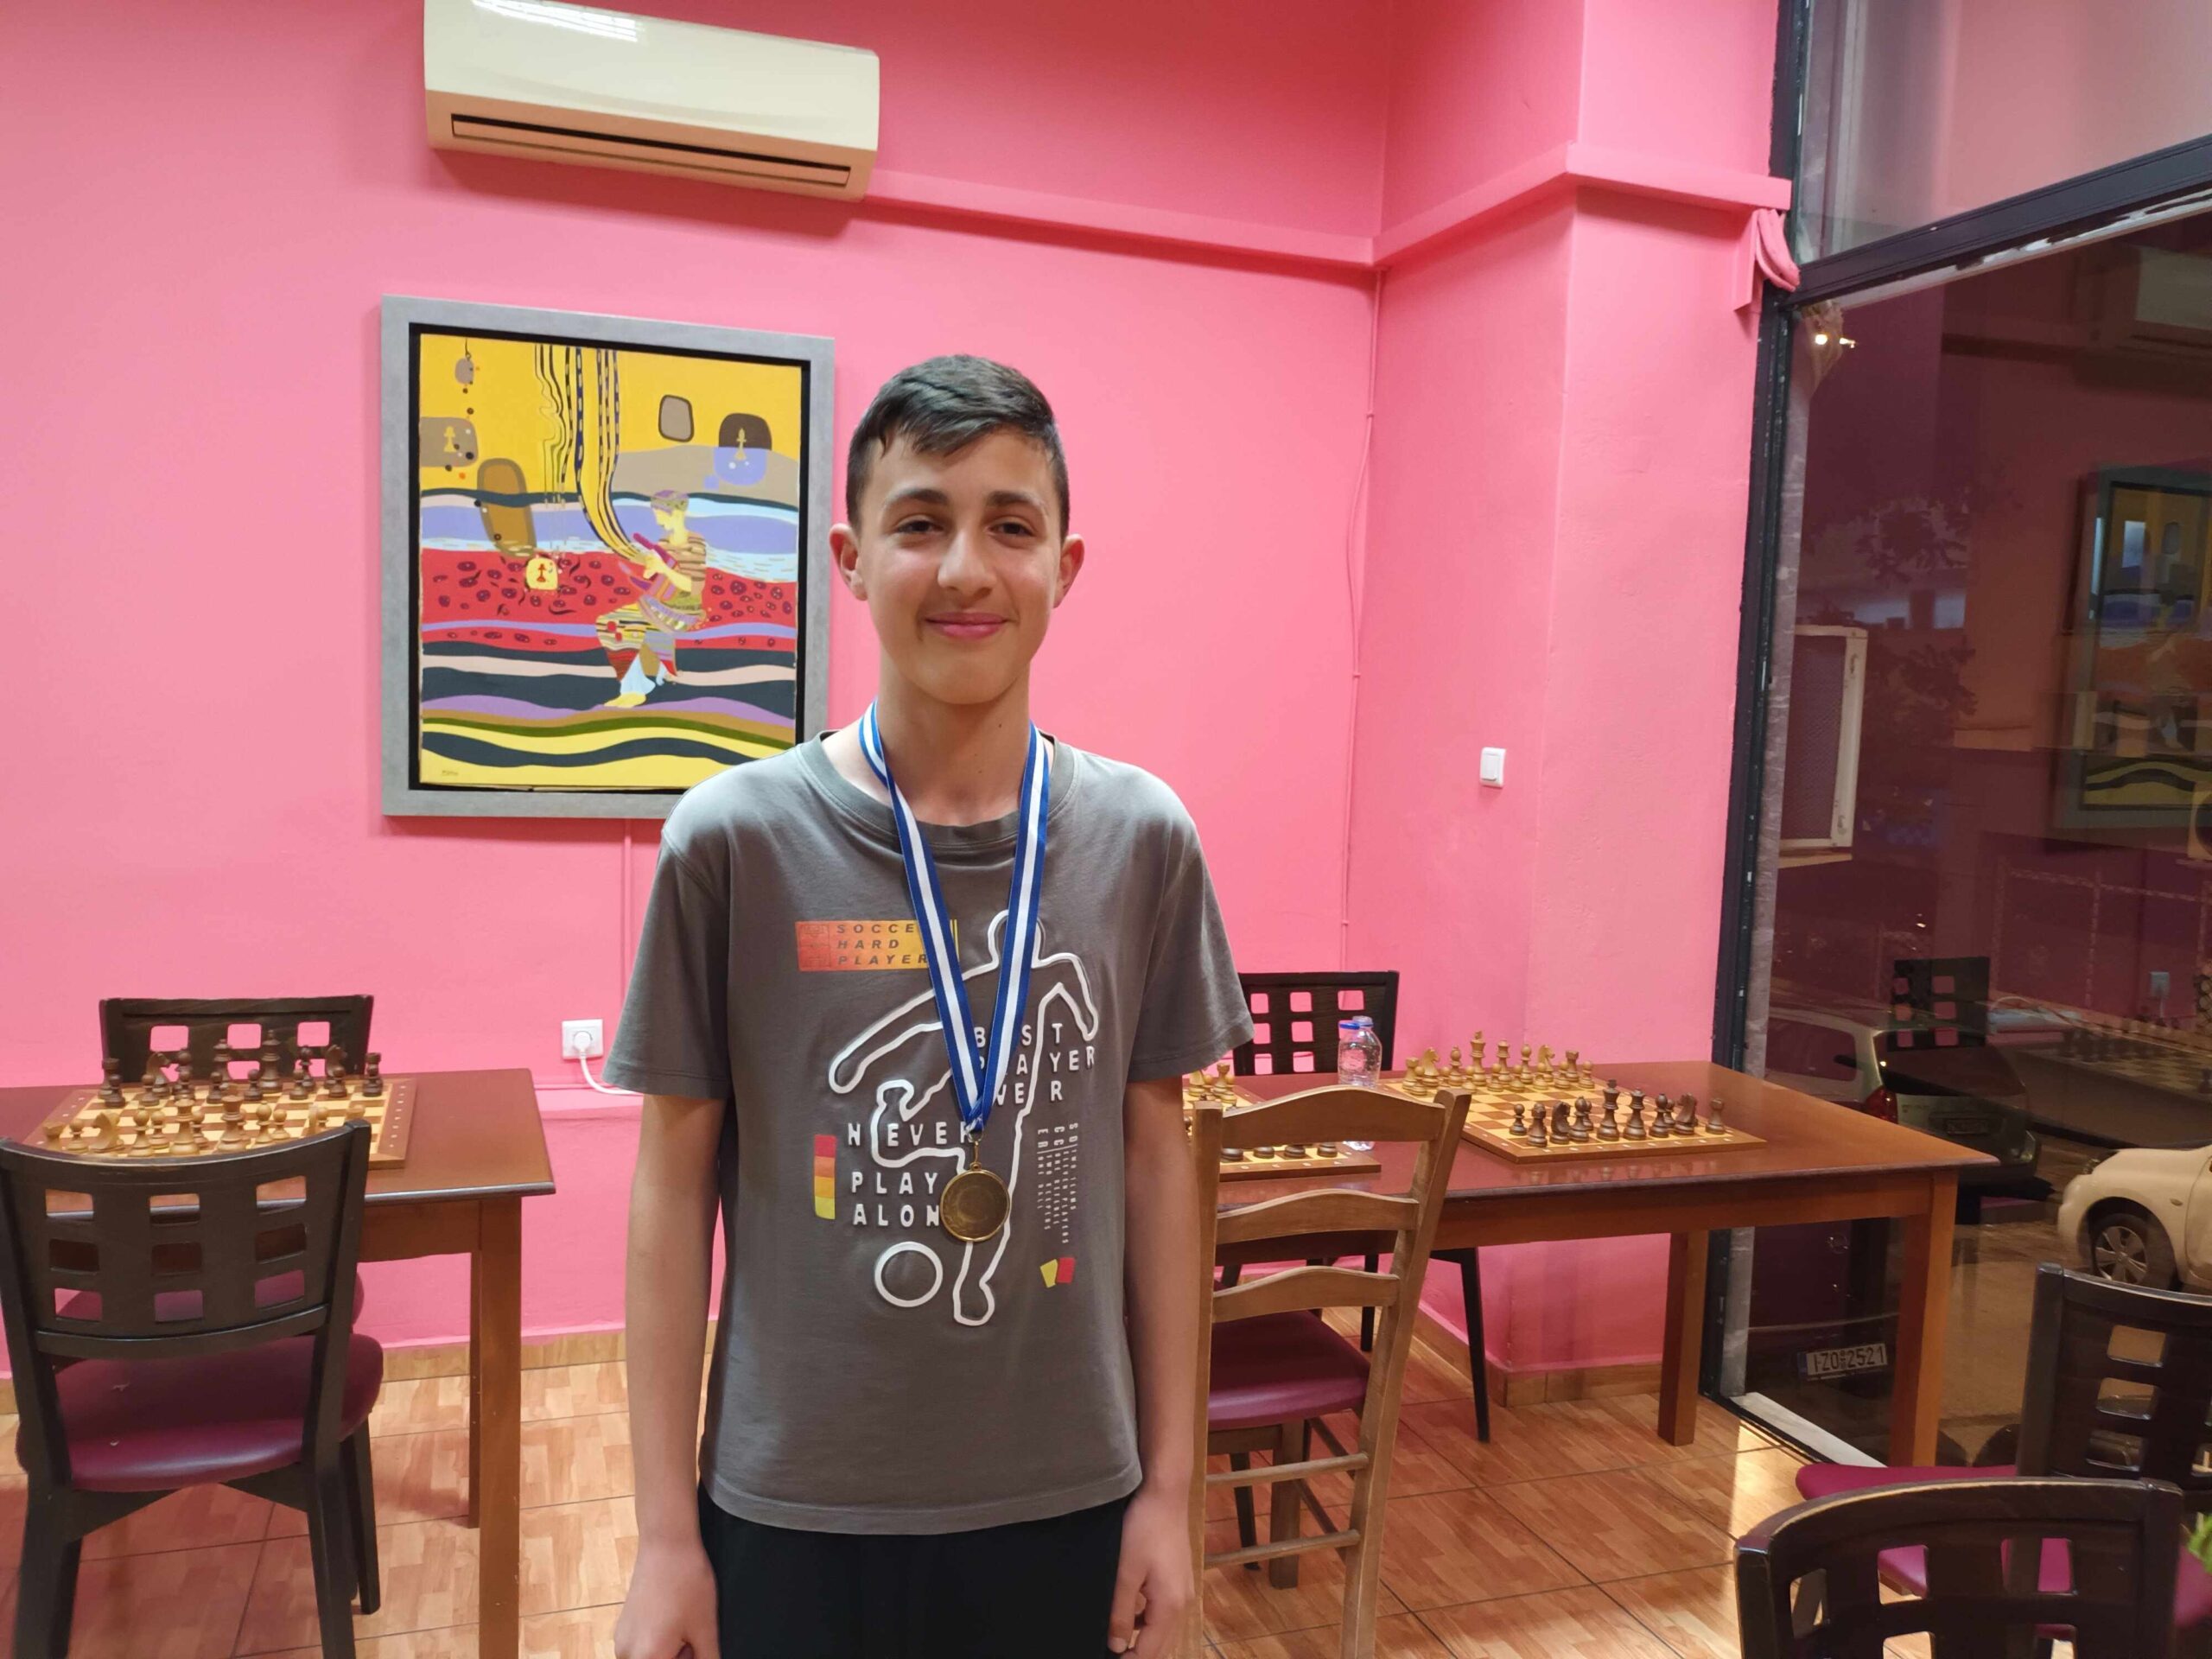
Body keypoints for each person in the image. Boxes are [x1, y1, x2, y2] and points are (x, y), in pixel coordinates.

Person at [606, 355, 1252, 1659]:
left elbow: (1157, 1167)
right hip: (794, 1504)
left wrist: (1170, 1497)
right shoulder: (732, 842)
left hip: (1072, 1494)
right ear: (850, 560)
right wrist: (666, 1536)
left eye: (1010, 525)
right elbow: (671, 1189)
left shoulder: (1142, 837)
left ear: (1065, 565)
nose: (965, 568)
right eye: (920, 522)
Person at [594, 489, 711, 706]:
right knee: (607, 622)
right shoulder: (664, 541)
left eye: (659, 514)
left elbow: (693, 587)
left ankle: (635, 690)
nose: (657, 520)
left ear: (676, 513)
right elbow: (657, 578)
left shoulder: (695, 542)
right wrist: (651, 568)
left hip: (682, 612)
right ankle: (635, 685)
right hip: (657, 603)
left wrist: (664, 569)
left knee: (619, 623)